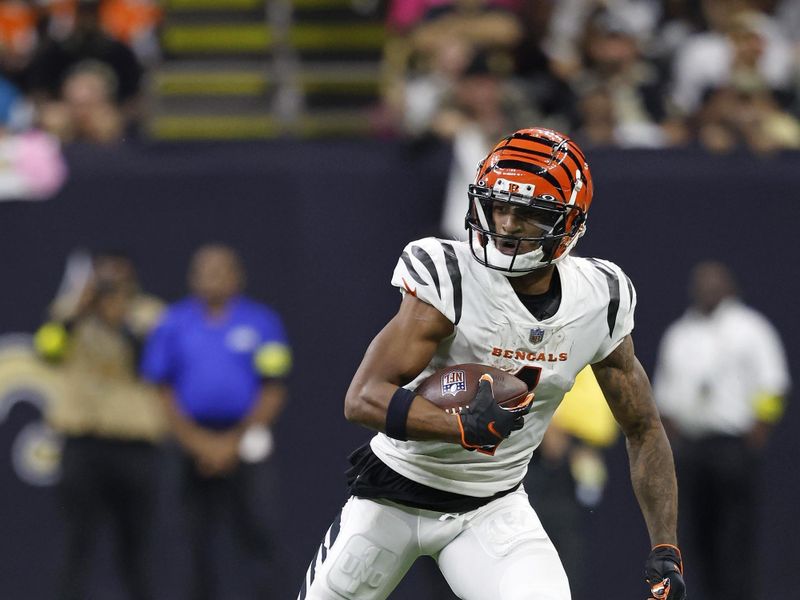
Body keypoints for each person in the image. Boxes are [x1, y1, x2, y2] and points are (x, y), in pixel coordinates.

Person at [297, 127, 686, 600]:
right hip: (391, 495)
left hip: (491, 506)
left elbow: (643, 427)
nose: (505, 224)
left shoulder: (598, 299)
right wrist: (458, 426)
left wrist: (665, 544)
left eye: (528, 213)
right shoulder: (450, 277)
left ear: (570, 223)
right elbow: (361, 398)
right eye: (499, 206)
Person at [141, 243, 291, 600]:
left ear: (238, 276)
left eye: (221, 270)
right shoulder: (172, 323)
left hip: (245, 442)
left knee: (259, 533)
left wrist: (231, 443)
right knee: (188, 540)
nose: (212, 278)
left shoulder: (262, 322)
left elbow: (273, 389)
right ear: (192, 277)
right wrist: (199, 443)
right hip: (188, 444)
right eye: (204, 271)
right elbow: (160, 390)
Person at [653, 260, 791, 600]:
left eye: (714, 283)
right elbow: (663, 399)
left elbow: (773, 386)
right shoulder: (679, 334)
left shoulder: (750, 329)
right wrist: (677, 442)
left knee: (735, 539)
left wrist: (757, 432)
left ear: (729, 286)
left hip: (732, 447)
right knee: (698, 539)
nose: (707, 289)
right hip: (692, 450)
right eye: (701, 283)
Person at [35, 253, 165, 600]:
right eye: (103, 275)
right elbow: (46, 352)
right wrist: (78, 312)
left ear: (132, 276)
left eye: (117, 275)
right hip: (83, 445)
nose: (110, 283)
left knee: (136, 549)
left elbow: (151, 366)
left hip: (135, 447)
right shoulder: (71, 311)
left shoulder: (149, 313)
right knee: (76, 543)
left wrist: (119, 321)